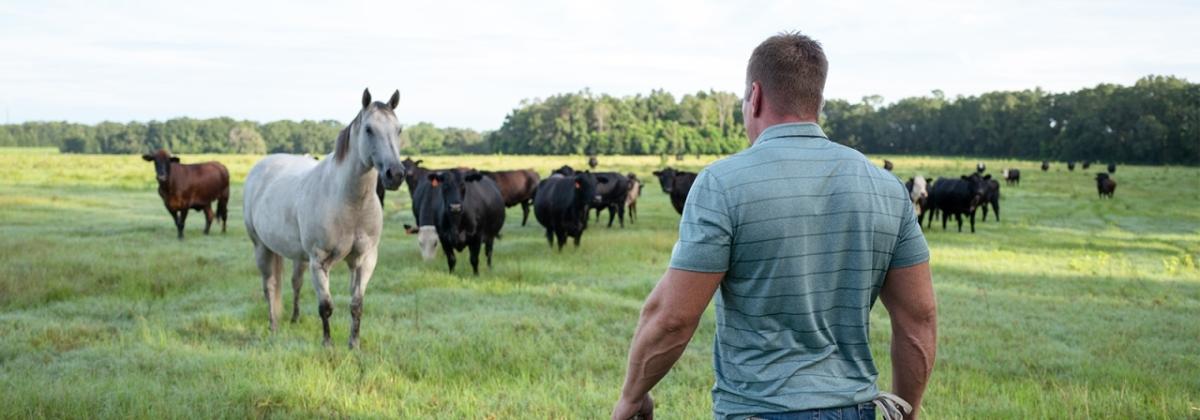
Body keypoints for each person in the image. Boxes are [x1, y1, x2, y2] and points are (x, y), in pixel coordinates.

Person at [611, 32, 937, 420]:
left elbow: (673, 318)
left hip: (758, 410)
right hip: (855, 409)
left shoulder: (722, 182)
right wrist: (908, 410)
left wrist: (633, 397)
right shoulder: (885, 187)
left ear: (756, 96)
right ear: (817, 101)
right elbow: (919, 321)